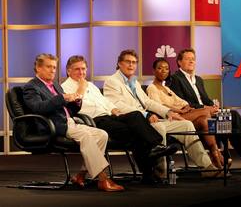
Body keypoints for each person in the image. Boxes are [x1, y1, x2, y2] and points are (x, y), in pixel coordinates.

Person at [103, 49, 226, 178]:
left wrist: (168, 112)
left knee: (186, 124)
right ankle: (162, 172)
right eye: (128, 62)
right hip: (134, 122)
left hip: (148, 119)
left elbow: (148, 102)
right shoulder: (112, 81)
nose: (131, 65)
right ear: (119, 63)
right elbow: (118, 105)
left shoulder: (134, 82)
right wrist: (145, 115)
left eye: (134, 62)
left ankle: (207, 167)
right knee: (160, 127)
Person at [61, 55, 178, 184]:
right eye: (77, 69)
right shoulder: (65, 87)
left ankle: (155, 146)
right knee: (136, 133)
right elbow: (75, 105)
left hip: (109, 116)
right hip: (93, 120)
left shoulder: (91, 85)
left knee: (136, 115)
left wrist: (114, 109)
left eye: (83, 69)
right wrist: (81, 87)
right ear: (68, 71)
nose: (81, 72)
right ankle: (148, 171)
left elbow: (104, 100)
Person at [23, 53, 124, 192]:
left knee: (101, 135)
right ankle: (103, 179)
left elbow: (69, 110)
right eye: (49, 67)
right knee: (86, 136)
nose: (53, 70)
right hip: (52, 125)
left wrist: (76, 102)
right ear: (38, 68)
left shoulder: (56, 85)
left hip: (68, 122)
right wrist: (62, 98)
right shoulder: (31, 87)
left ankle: (81, 175)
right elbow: (38, 108)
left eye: (54, 67)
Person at [169, 48, 241, 169]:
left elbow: (205, 99)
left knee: (232, 120)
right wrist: (205, 107)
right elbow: (182, 104)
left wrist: (213, 106)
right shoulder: (175, 79)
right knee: (232, 119)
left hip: (209, 114)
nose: (191, 61)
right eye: (188, 59)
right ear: (179, 62)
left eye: (193, 59)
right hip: (196, 118)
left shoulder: (198, 79)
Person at [147, 58, 233, 169]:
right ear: (154, 71)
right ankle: (217, 155)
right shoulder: (152, 88)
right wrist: (179, 110)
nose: (163, 71)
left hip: (183, 114)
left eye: (166, 68)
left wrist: (186, 107)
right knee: (207, 111)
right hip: (171, 118)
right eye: (160, 68)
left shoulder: (166, 88)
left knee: (204, 120)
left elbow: (182, 101)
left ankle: (215, 155)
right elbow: (158, 106)